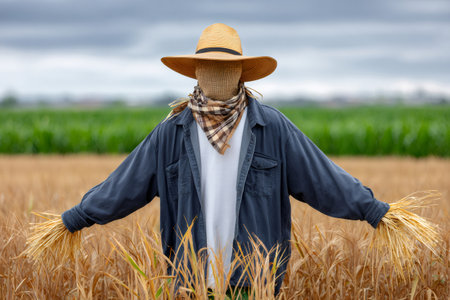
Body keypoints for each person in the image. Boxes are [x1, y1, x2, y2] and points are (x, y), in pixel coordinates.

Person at [61, 23, 390, 297]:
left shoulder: (272, 129)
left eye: (227, 66)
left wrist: (373, 210)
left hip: (254, 283)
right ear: (196, 71)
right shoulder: (171, 133)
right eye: (209, 66)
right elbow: (124, 185)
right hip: (190, 283)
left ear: (241, 72)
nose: (217, 72)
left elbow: (322, 178)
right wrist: (75, 218)